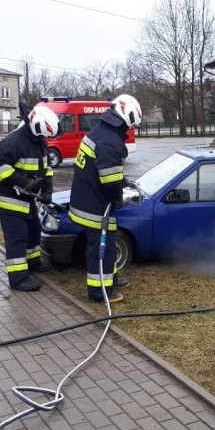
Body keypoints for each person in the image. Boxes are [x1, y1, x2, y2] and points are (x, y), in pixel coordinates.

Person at [69, 94, 142, 304]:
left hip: (86, 198)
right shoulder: (109, 141)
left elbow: (108, 173)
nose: (131, 128)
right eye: (132, 123)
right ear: (126, 116)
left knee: (107, 245)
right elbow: (109, 182)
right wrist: (119, 197)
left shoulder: (101, 131)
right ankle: (99, 292)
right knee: (101, 248)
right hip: (95, 206)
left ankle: (112, 278)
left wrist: (124, 181)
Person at [0, 103, 58, 291]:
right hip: (7, 199)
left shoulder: (39, 141)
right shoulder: (12, 142)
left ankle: (34, 263)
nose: (46, 138)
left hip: (26, 199)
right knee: (17, 238)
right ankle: (18, 278)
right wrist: (23, 182)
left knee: (34, 231)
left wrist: (47, 192)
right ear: (36, 126)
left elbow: (46, 170)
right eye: (44, 134)